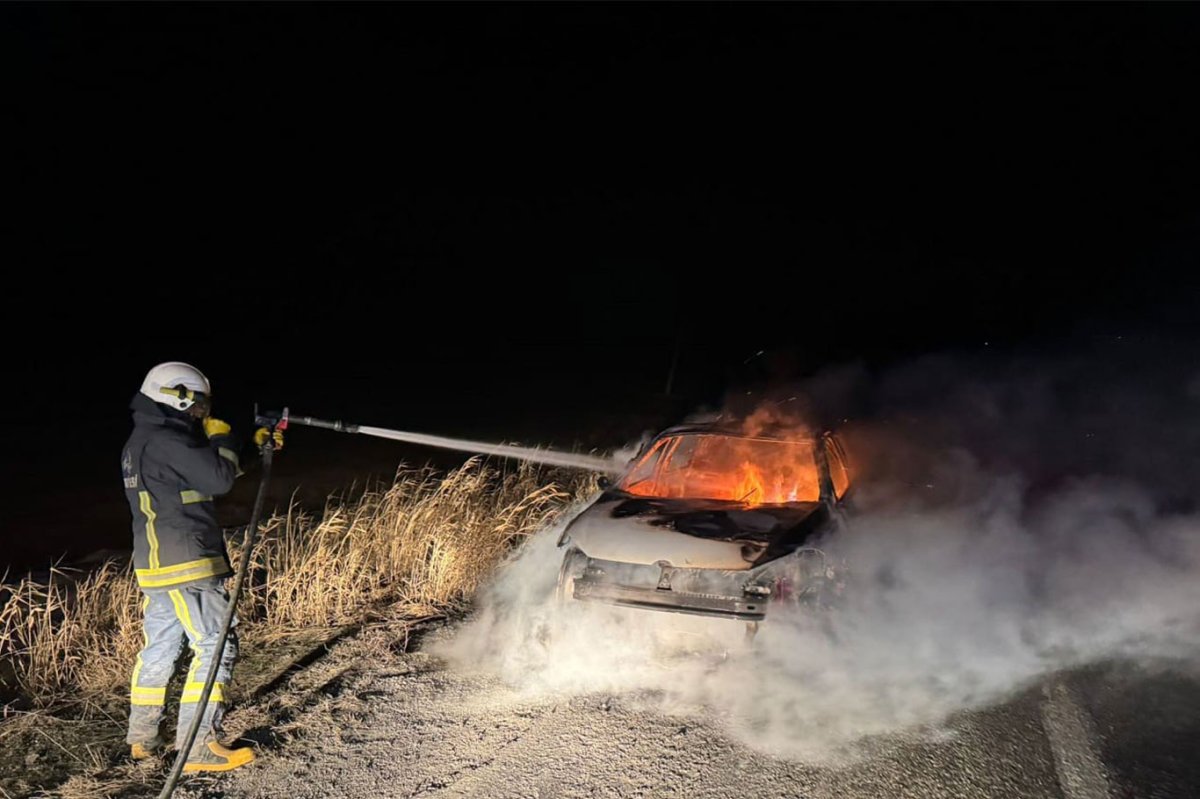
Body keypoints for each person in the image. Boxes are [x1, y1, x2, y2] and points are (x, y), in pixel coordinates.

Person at [121, 361, 282, 772]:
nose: (201, 413)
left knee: (160, 649)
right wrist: (223, 436)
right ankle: (198, 748)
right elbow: (218, 480)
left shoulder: (148, 439)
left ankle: (143, 738)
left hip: (157, 566)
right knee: (215, 645)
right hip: (187, 561)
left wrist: (250, 446)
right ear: (176, 396)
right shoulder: (167, 440)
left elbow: (209, 472)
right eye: (198, 404)